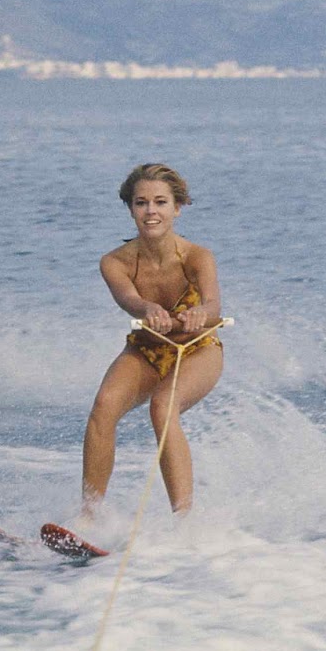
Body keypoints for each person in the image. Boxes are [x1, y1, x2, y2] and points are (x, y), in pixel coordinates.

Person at [81, 162, 223, 515]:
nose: (151, 211)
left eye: (160, 202)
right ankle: (89, 517)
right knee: (104, 406)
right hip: (146, 350)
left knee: (163, 407)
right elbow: (128, 299)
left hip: (198, 349)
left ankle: (184, 522)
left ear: (178, 207)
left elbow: (213, 305)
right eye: (141, 203)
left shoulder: (197, 257)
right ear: (130, 209)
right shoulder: (115, 262)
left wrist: (199, 314)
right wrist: (146, 308)